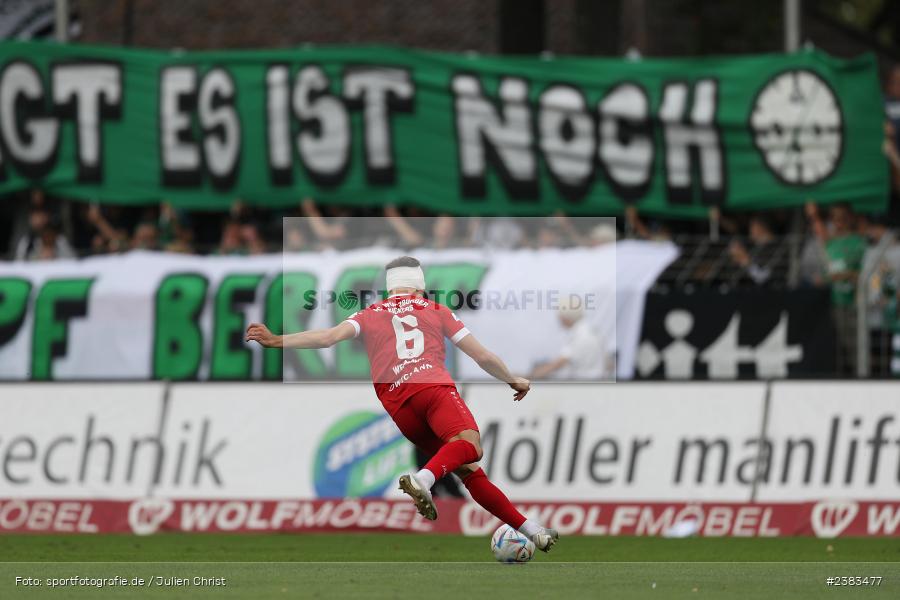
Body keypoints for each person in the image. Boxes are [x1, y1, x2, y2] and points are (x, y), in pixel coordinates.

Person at [245, 256, 559, 553]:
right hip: (432, 389)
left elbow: (328, 337)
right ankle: (425, 478)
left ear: (389, 287)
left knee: (468, 471)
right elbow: (483, 356)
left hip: (398, 406)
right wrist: (512, 379)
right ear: (420, 286)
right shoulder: (436, 310)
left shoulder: (368, 314)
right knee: (471, 446)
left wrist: (276, 340)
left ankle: (534, 532)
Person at [528, 296, 612, 380]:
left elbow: (558, 364)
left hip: (584, 384)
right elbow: (608, 363)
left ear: (566, 316)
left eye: (560, 315)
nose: (559, 319)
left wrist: (531, 376)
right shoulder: (594, 331)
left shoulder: (580, 336)